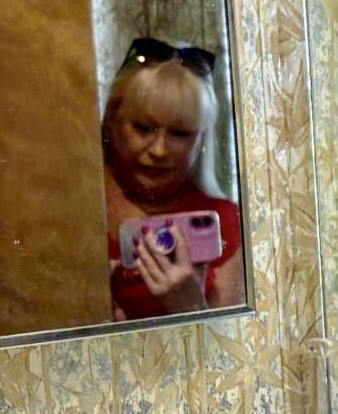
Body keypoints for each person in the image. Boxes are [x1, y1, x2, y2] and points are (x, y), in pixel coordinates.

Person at [103, 38, 244, 320]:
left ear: (201, 140)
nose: (159, 150)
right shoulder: (74, 211)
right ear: (111, 123)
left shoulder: (225, 223)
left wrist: (190, 305)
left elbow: (232, 342)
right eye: (144, 128)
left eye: (180, 133)